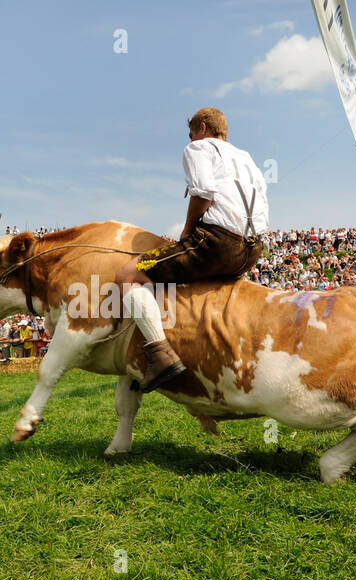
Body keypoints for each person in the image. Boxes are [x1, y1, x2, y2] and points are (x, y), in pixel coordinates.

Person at [115, 106, 269, 391]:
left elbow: (203, 191)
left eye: (191, 133)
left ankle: (160, 354)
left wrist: (187, 230)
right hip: (253, 249)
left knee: (127, 275)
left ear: (202, 128)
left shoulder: (198, 149)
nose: (190, 140)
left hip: (218, 243)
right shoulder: (246, 158)